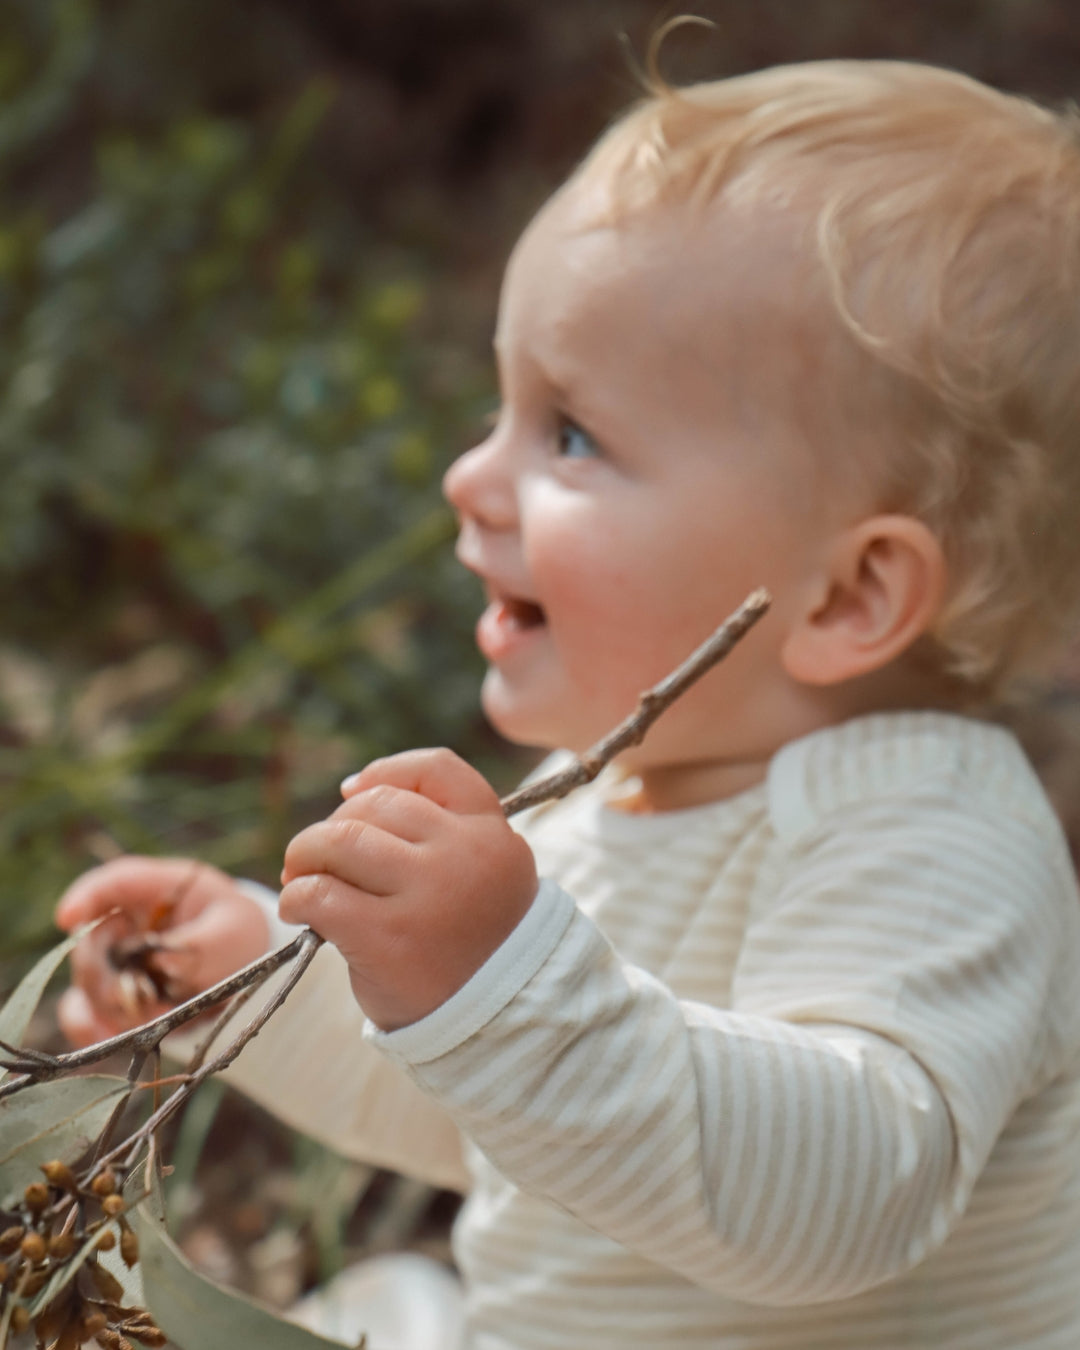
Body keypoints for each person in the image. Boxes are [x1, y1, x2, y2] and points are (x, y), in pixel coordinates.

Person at [56, 59, 1080, 1349]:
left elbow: (853, 1192)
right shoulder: (607, 814)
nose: (469, 474)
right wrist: (257, 976)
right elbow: (509, 1109)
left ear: (849, 595)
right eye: (503, 410)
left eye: (573, 435)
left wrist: (505, 981)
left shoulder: (929, 830)